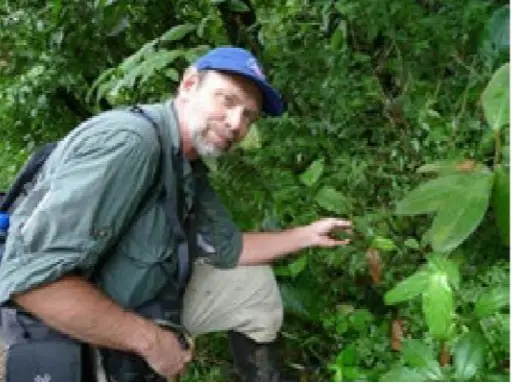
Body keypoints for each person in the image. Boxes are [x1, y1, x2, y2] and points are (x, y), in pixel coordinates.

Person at [0, 47, 352, 381]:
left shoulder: (185, 160)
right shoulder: (131, 144)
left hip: (140, 294)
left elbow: (229, 249)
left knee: (251, 287)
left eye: (248, 116)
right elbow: (31, 282)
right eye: (227, 100)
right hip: (61, 324)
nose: (235, 123)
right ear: (188, 84)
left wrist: (307, 234)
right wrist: (152, 341)